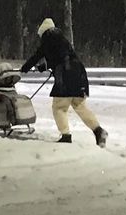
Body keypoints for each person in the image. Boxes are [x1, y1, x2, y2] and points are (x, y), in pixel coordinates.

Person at [20, 18, 107, 147]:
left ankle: (65, 136)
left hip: (66, 75)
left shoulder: (48, 39)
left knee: (59, 107)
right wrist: (45, 67)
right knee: (80, 106)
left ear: (43, 32)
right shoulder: (62, 39)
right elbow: (59, 56)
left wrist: (25, 68)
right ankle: (98, 131)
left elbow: (39, 56)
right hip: (79, 72)